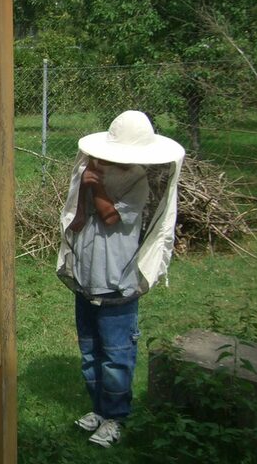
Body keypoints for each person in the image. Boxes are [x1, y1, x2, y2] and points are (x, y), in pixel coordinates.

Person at [57, 110, 185, 448]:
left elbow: (113, 218)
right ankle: (98, 409)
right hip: (87, 277)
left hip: (118, 281)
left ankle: (116, 417)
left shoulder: (138, 181)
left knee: (116, 354)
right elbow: (78, 220)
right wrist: (84, 191)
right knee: (89, 350)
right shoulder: (91, 172)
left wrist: (96, 186)